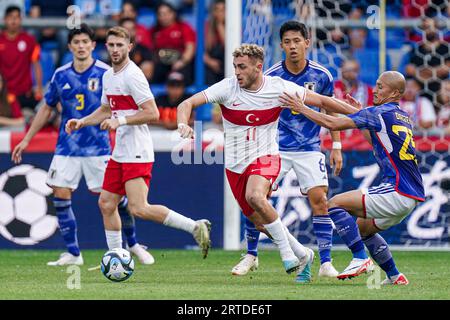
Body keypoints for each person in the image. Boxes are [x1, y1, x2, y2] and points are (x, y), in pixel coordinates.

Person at [177, 44, 361, 283]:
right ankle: (303, 253)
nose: (237, 72)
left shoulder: (278, 88)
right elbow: (186, 104)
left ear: (258, 67)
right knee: (261, 223)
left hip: (266, 157)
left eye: (242, 67)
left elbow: (324, 100)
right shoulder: (227, 87)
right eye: (235, 67)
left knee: (256, 196)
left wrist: (360, 114)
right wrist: (183, 122)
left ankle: (287, 255)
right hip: (235, 165)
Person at [11, 24, 154, 266]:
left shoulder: (107, 72)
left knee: (116, 200)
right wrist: (27, 139)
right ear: (69, 46)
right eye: (76, 42)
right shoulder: (60, 74)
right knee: (60, 193)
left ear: (93, 45)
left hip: (99, 147)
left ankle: (133, 245)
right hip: (67, 146)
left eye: (85, 42)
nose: (80, 46)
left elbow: (114, 109)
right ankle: (73, 254)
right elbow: (46, 107)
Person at [64, 26, 211, 259]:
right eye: (111, 45)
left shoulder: (133, 75)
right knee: (106, 203)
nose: (115, 49)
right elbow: (105, 108)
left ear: (129, 47)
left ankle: (194, 227)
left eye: (120, 45)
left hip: (137, 151)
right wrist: (83, 122)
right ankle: (115, 256)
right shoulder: (108, 76)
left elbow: (152, 113)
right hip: (120, 151)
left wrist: (119, 121)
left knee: (138, 208)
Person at [280, 71, 425, 285]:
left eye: (380, 87)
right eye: (375, 85)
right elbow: (374, 137)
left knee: (334, 204)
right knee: (364, 229)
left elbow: (332, 123)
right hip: (410, 194)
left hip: (397, 190)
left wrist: (302, 108)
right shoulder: (401, 116)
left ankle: (360, 258)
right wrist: (359, 112)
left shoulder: (378, 113)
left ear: (394, 92)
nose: (375, 90)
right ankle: (395, 276)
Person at [231, 21, 342, 278]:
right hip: (274, 148)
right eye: (287, 42)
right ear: (281, 46)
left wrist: (336, 145)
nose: (292, 46)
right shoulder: (270, 76)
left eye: (296, 41)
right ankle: (251, 255)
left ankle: (325, 262)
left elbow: (331, 108)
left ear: (307, 42)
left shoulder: (321, 76)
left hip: (309, 146)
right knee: (256, 199)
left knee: (320, 201)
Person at [0, 5, 43, 112]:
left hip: (25, 93)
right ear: (5, 19)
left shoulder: (29, 40)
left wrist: (38, 88)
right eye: (10, 17)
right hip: (4, 94)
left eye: (17, 17)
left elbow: (36, 65)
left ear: (21, 20)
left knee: (46, 108)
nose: (13, 20)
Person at [149, 2, 196, 85]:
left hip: (181, 62)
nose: (163, 17)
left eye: (166, 14)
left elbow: (190, 48)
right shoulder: (154, 30)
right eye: (160, 14)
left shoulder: (184, 27)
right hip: (161, 63)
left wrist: (182, 62)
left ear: (173, 14)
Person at [204, 0, 225, 85]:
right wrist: (210, 62)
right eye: (217, 9)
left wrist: (219, 25)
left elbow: (230, 49)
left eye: (223, 9)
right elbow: (201, 50)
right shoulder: (206, 26)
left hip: (226, 61)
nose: (220, 13)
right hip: (211, 62)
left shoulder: (233, 26)